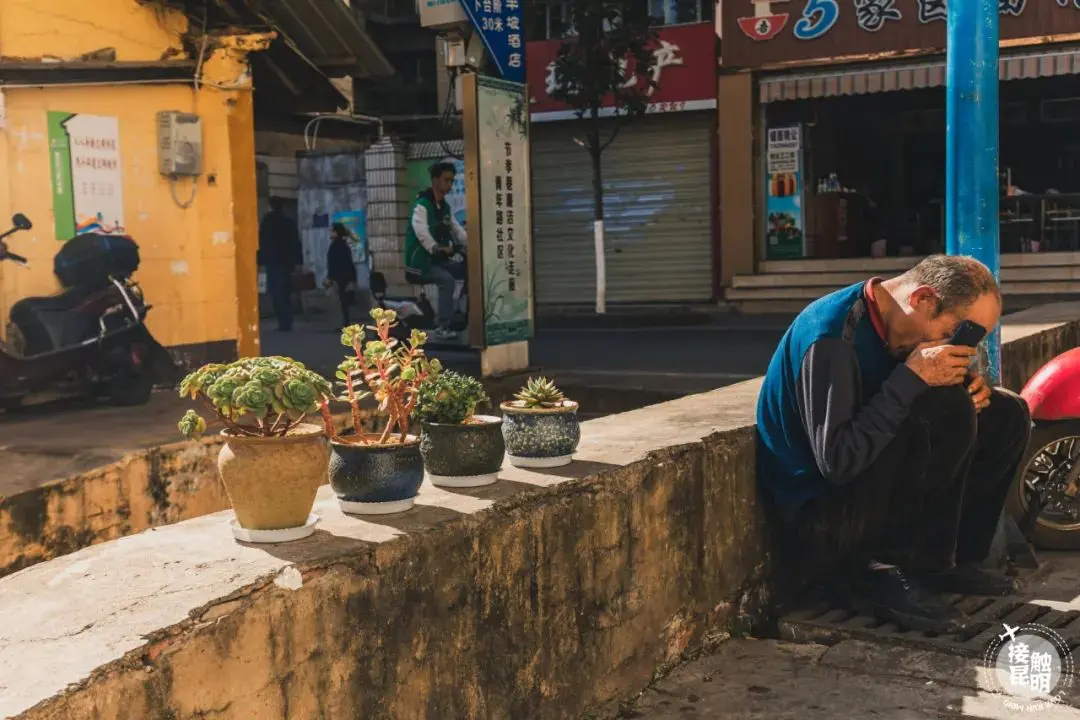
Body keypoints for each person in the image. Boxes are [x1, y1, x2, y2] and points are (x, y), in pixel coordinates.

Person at [756, 255, 1031, 633]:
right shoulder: (831, 338)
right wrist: (914, 379)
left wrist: (962, 380)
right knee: (945, 407)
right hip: (822, 516)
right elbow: (838, 461)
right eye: (955, 333)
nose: (957, 346)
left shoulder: (900, 330)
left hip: (869, 489)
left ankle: (947, 563)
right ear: (922, 299)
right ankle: (878, 572)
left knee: (1006, 413)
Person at [404, 161, 467, 341]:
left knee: (466, 271)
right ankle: (442, 325)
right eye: (446, 180)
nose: (449, 185)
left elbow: (457, 230)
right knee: (446, 281)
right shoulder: (422, 205)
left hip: (436, 260)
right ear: (435, 180)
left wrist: (472, 246)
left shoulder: (445, 207)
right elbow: (422, 232)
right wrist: (436, 248)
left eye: (451, 181)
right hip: (419, 263)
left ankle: (458, 312)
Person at [258, 197, 302, 332]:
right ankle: (287, 321)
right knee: (286, 292)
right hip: (287, 263)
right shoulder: (289, 223)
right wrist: (297, 262)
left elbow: (262, 242)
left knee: (277, 293)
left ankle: (283, 322)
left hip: (273, 262)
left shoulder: (268, 222)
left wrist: (260, 260)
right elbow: (296, 243)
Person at [326, 222, 358, 330]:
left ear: (336, 232)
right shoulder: (343, 245)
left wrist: (330, 278)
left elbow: (335, 264)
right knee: (343, 302)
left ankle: (341, 323)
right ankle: (344, 322)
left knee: (339, 301)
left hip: (338, 278)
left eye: (332, 230)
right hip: (343, 277)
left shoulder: (337, 246)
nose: (330, 232)